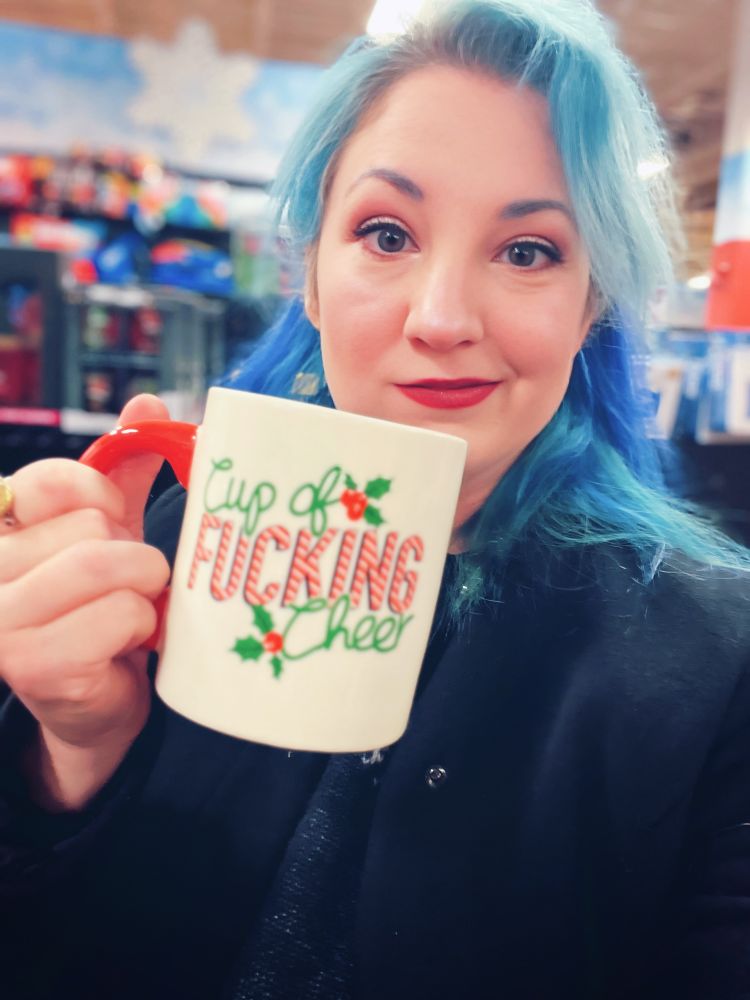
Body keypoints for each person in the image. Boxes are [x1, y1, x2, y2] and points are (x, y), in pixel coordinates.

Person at [1, 1, 749, 997]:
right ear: (311, 279)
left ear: (590, 309)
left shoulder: (716, 662)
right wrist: (68, 752)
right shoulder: (168, 548)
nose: (440, 318)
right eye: (386, 233)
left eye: (528, 250)